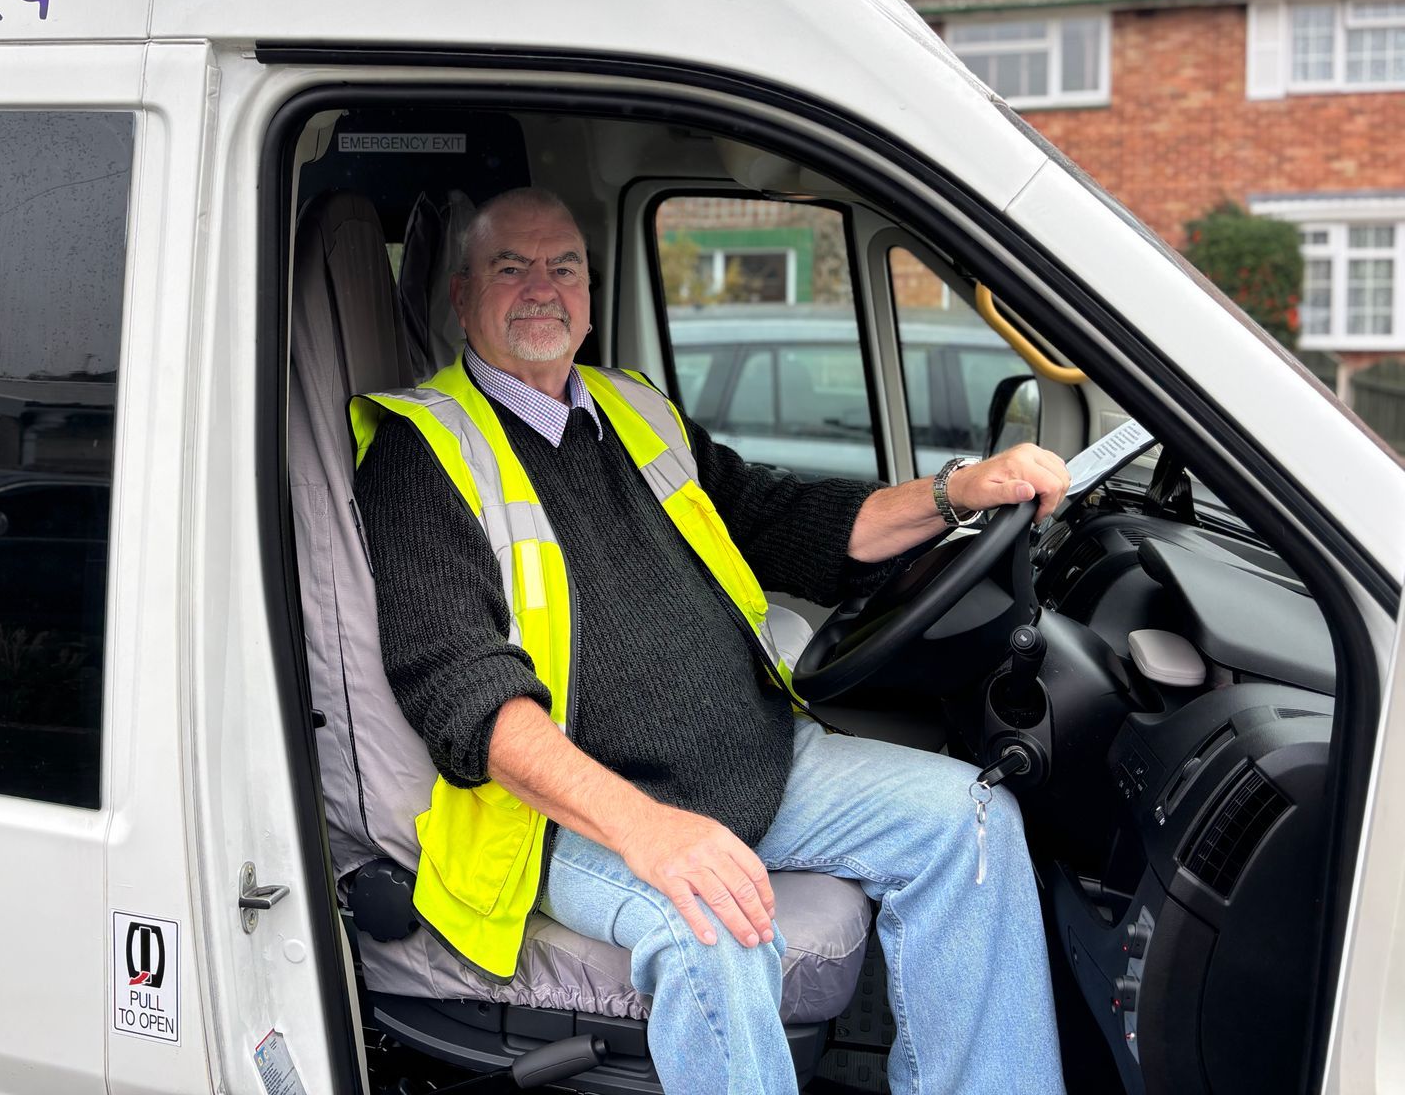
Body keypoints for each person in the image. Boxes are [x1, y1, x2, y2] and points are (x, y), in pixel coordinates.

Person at [352, 188, 1068, 1095]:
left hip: (755, 760)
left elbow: (781, 519)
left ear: (588, 293)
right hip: (575, 816)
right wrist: (649, 830)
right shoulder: (421, 452)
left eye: (564, 266)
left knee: (968, 818)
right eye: (510, 267)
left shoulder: (632, 406)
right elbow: (467, 698)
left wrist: (955, 491)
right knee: (713, 927)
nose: (542, 288)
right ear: (462, 297)